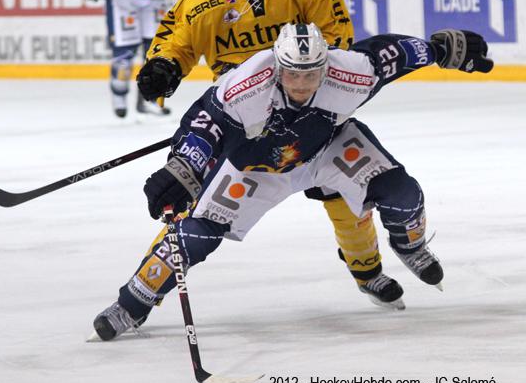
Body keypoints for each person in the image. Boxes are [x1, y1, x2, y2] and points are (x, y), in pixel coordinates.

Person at [93, 23, 493, 340]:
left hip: (325, 148)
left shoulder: (350, 72)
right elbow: (206, 122)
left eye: (312, 74)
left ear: (326, 66)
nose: (302, 85)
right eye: (292, 75)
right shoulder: (246, 85)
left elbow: (394, 54)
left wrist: (443, 50)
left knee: (403, 193)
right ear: (276, 66)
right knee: (195, 234)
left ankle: (412, 246)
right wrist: (183, 167)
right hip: (254, 167)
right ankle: (132, 303)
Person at [136, 0, 401, 309]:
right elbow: (175, 44)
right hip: (239, 124)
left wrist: (304, 97)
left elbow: (338, 45)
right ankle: (143, 289)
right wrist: (164, 67)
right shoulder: (203, 1)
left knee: (346, 189)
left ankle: (367, 269)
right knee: (190, 202)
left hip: (310, 112)